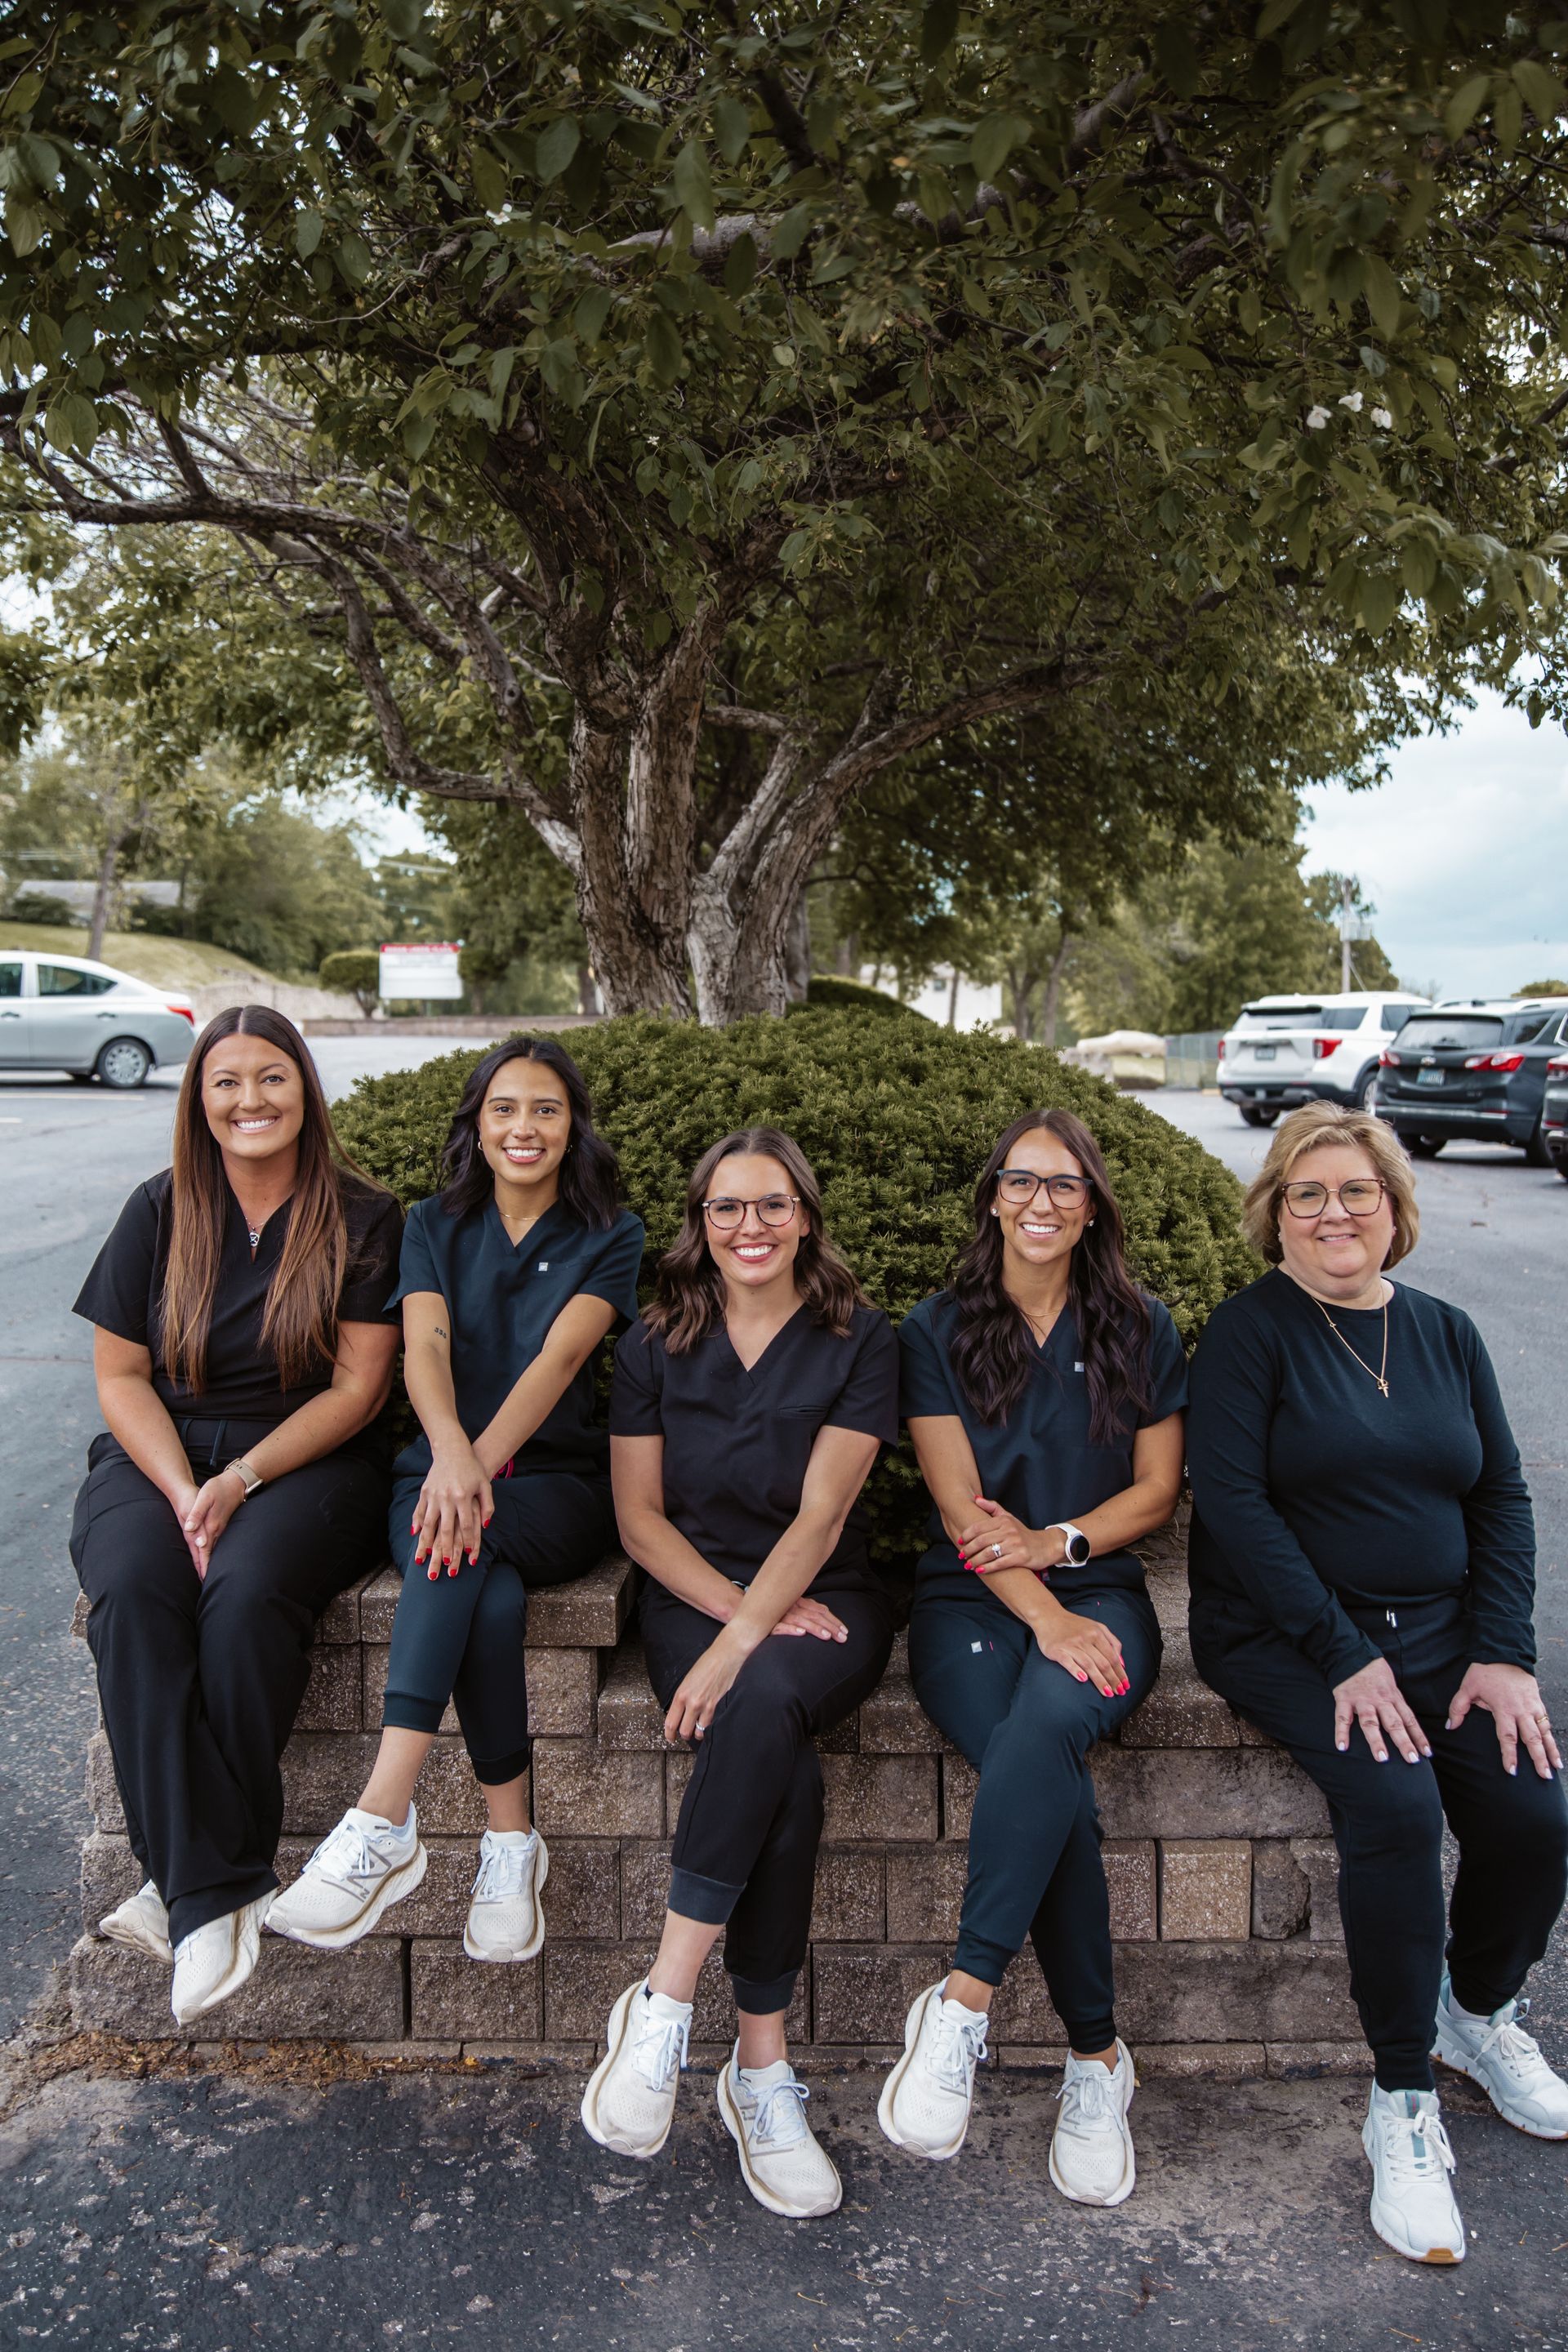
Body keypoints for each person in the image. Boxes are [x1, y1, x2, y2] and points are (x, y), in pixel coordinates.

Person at [1187, 1102, 1568, 2266]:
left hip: (1448, 1632)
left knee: (1534, 1811)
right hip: (1288, 1636)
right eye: (1307, 1194)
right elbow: (1236, 1510)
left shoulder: (1447, 1333)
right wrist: (1345, 1652)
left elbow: (1498, 1495)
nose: (1334, 1213)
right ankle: (1401, 2101)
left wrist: (1505, 1651)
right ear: (1277, 1216)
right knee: (1397, 1806)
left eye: (1356, 1191)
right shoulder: (1250, 1334)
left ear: (1395, 1210)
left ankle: (1478, 2011)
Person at [269, 1038, 643, 1965]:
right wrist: (448, 1456)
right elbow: (422, 1348)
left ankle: (382, 1815)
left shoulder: (612, 1233)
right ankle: (511, 1846)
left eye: (547, 1109)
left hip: (555, 1485)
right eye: (505, 1108)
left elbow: (560, 1361)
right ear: (476, 1125)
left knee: (453, 1547)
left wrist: (476, 1465)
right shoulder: (432, 1222)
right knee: (483, 1585)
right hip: (433, 1476)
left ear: (573, 1127)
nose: (525, 1127)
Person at [581, 1127, 898, 2219]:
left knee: (760, 1700)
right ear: (700, 1222)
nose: (749, 1227)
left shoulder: (861, 1341)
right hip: (698, 1594)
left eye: (771, 1206)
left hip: (830, 1601)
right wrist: (729, 1620)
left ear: (806, 1216)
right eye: (726, 1208)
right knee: (783, 1768)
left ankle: (663, 2003)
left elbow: (822, 1516)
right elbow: (637, 1517)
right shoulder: (653, 1341)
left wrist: (743, 1637)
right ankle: (760, 2071)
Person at [876, 1108, 1186, 2205]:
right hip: (969, 1597)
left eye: (1064, 1185)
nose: (1042, 1202)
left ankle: (961, 2001)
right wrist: (1041, 1616)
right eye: (1022, 1182)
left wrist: (1064, 1553)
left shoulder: (1143, 1326)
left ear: (1091, 1203)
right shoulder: (934, 1328)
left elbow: (1154, 1490)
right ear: (994, 1197)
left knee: (1046, 1729)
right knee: (1056, 1786)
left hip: (1099, 1587)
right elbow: (961, 1504)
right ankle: (1099, 2061)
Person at [70, 1006, 403, 2025]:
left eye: (271, 1079)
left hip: (306, 1458)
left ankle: (181, 1885)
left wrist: (242, 1479)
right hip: (159, 1452)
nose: (249, 1100)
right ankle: (216, 1888)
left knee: (249, 1594)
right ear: (199, 1098)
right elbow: (120, 1375)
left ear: (305, 1089)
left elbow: (355, 1391)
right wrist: (181, 1486)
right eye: (226, 1082)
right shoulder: (159, 1208)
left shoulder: (363, 1217)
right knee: (132, 1592)